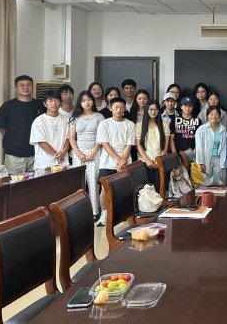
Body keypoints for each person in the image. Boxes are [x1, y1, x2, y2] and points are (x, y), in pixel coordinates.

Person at [95, 97, 135, 226]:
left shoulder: (130, 124)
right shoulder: (104, 124)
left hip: (125, 162)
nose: (119, 110)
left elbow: (129, 144)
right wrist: (118, 160)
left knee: (124, 190)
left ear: (125, 109)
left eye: (122, 107)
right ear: (110, 108)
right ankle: (104, 214)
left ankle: (122, 214)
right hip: (107, 162)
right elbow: (105, 144)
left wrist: (122, 161)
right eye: (116, 107)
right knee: (104, 189)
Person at [0, 75, 41, 174]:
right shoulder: (7, 106)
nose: (25, 87)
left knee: (36, 181)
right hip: (14, 155)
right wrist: (15, 135)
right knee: (15, 182)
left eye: (28, 85)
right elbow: (0, 127)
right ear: (16, 88)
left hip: (37, 152)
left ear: (32, 87)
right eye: (22, 85)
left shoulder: (40, 105)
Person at [68, 91, 104, 216]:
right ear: (80, 103)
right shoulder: (74, 118)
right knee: (78, 184)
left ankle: (95, 212)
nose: (87, 103)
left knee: (93, 183)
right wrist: (77, 152)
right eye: (83, 101)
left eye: (89, 100)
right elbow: (71, 137)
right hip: (79, 152)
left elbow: (101, 137)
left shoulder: (99, 117)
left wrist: (93, 152)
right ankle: (79, 213)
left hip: (95, 152)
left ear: (93, 101)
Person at [136, 101, 171, 193]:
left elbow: (165, 144)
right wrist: (147, 160)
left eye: (156, 109)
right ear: (146, 110)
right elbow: (138, 144)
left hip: (159, 161)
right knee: (145, 191)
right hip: (144, 162)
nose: (153, 112)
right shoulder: (139, 125)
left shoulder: (164, 124)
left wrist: (159, 159)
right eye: (150, 109)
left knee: (159, 189)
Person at [29, 90, 70, 169]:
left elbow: (68, 139)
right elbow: (41, 142)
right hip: (45, 163)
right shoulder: (39, 121)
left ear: (61, 103)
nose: (54, 103)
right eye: (50, 101)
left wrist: (63, 153)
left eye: (57, 100)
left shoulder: (66, 120)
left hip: (63, 162)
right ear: (45, 104)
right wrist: (57, 155)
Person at [195, 106, 227, 181]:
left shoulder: (223, 129)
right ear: (207, 115)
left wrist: (223, 164)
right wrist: (201, 163)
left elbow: (223, 147)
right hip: (205, 159)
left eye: (216, 114)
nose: (213, 116)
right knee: (206, 183)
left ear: (219, 116)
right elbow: (199, 147)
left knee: (218, 182)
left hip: (218, 159)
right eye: (211, 114)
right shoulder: (201, 129)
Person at [172, 96, 200, 161]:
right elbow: (171, 138)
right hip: (178, 153)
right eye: (185, 106)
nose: (187, 108)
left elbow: (199, 138)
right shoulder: (175, 120)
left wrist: (195, 151)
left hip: (192, 153)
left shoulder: (197, 121)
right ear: (181, 107)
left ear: (193, 107)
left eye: (190, 106)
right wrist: (174, 153)